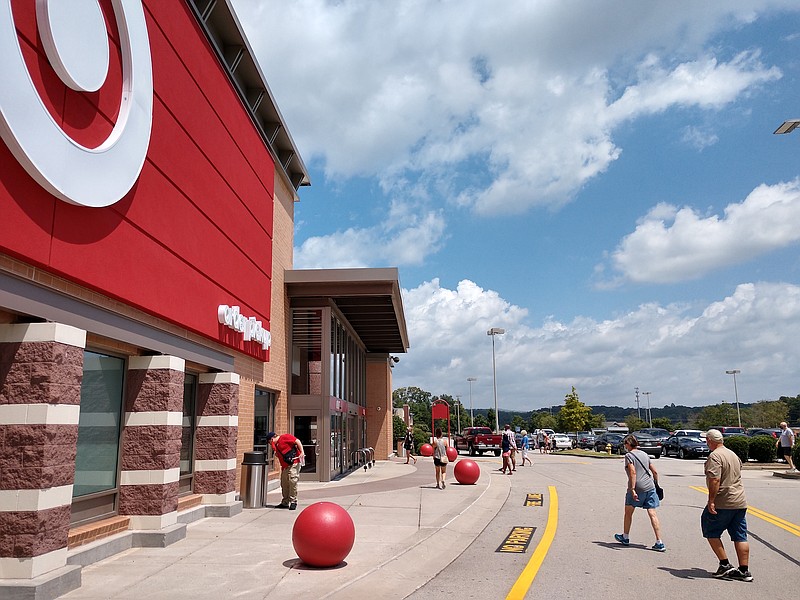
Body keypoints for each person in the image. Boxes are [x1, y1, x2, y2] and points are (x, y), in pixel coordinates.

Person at [702, 429, 752, 582]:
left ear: (710, 441)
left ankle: (725, 565)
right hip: (739, 501)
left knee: (710, 530)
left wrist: (711, 500)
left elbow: (715, 480)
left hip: (724, 501)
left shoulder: (715, 456)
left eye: (707, 440)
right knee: (740, 535)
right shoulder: (733, 454)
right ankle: (744, 570)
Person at [614, 434, 665, 552]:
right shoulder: (645, 454)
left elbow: (632, 472)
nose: (624, 446)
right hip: (650, 487)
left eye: (625, 444)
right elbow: (655, 471)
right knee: (652, 513)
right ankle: (659, 542)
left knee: (628, 512)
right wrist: (656, 484)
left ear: (628, 444)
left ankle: (625, 537)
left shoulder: (629, 455)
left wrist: (632, 489)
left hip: (637, 487)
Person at [266, 431, 304, 510]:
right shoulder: (276, 445)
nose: (270, 444)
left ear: (272, 439)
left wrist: (302, 452)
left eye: (269, 442)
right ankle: (285, 502)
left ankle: (293, 501)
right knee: (284, 483)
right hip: (285, 466)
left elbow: (297, 441)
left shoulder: (285, 437)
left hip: (294, 463)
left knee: (292, 481)